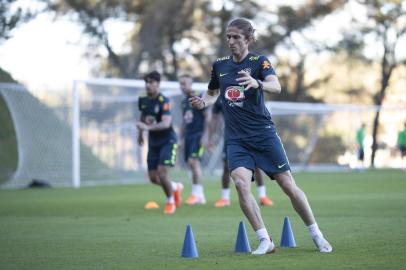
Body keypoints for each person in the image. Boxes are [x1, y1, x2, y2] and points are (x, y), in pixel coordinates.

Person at [190, 18, 332, 255]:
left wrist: (257, 83)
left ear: (248, 39)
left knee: (288, 185)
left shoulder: (259, 62)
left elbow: (276, 86)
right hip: (236, 140)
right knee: (241, 183)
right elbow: (213, 92)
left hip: (263, 135)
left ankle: (316, 233)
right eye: (228, 36)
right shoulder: (220, 65)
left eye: (236, 36)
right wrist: (203, 102)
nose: (231, 41)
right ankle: (265, 239)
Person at [211, 97, 274, 207]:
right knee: (226, 166)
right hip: (230, 137)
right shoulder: (220, 99)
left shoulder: (242, 93)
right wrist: (211, 135)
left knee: (257, 165)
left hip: (250, 134)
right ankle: (225, 198)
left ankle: (263, 196)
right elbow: (214, 117)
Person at [137, 71, 183, 214]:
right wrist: (141, 133)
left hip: (168, 141)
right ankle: (175, 187)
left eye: (151, 82)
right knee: (153, 178)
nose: (148, 85)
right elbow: (143, 116)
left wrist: (147, 128)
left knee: (162, 173)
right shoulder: (143, 99)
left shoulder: (164, 100)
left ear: (158, 84)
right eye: (146, 82)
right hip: (153, 142)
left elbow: (166, 123)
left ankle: (170, 202)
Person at [179, 74, 209, 205]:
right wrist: (180, 138)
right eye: (181, 84)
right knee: (191, 164)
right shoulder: (183, 101)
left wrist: (206, 135)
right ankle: (199, 195)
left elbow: (207, 117)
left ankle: (196, 194)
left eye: (185, 83)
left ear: (191, 84)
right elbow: (184, 122)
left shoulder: (199, 97)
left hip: (198, 134)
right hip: (188, 137)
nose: (182, 86)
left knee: (193, 162)